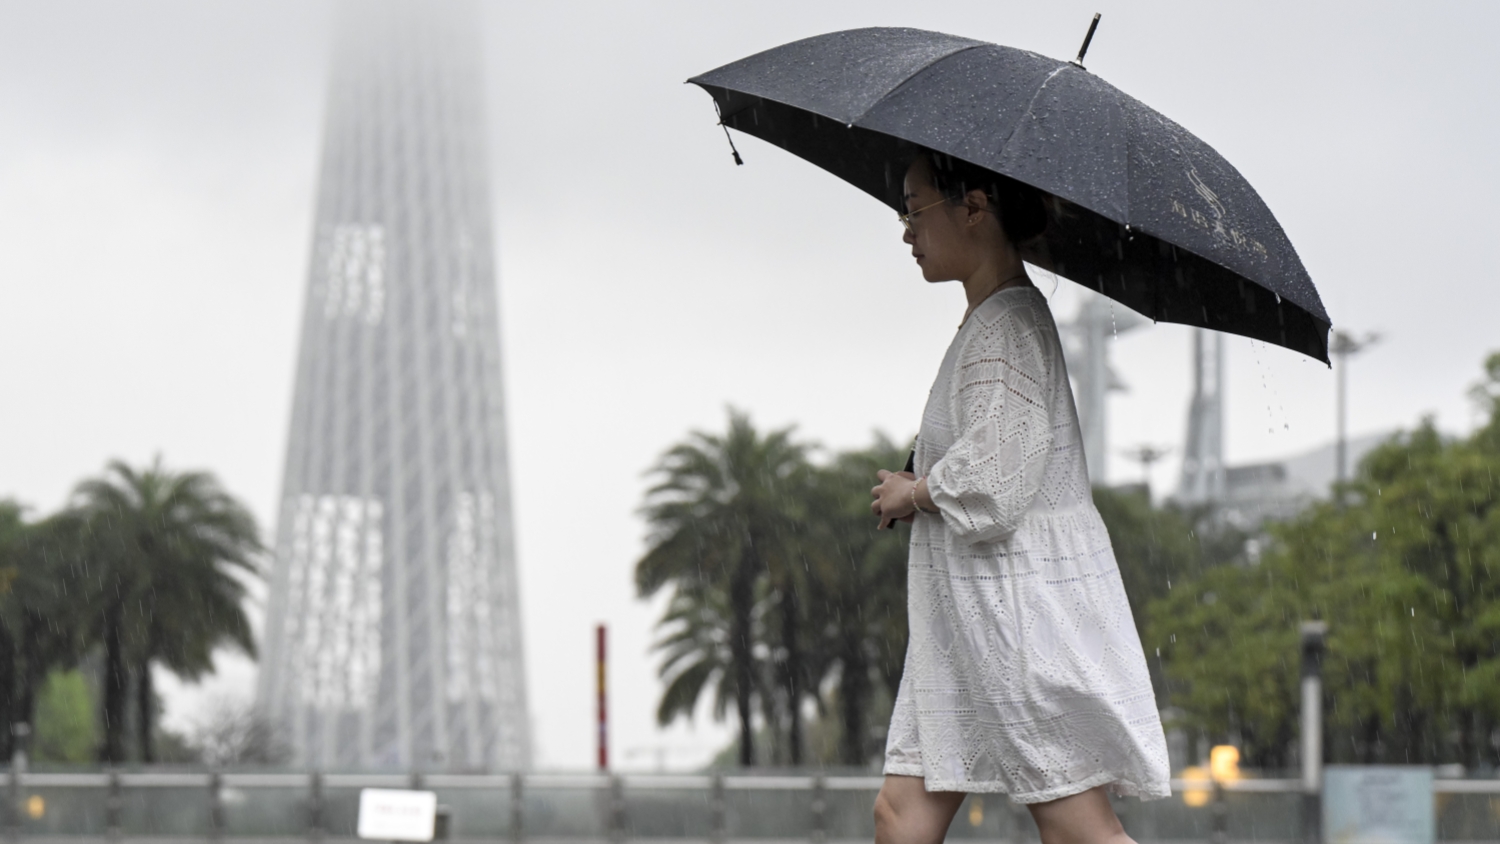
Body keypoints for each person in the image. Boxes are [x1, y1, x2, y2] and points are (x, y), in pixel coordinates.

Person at [868, 149, 1171, 844]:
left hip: (1014, 615)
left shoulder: (1006, 326)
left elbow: (996, 484)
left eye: (913, 208)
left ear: (973, 206)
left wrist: (913, 491)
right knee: (901, 817)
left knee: (1078, 830)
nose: (906, 231)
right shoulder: (992, 322)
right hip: (968, 613)